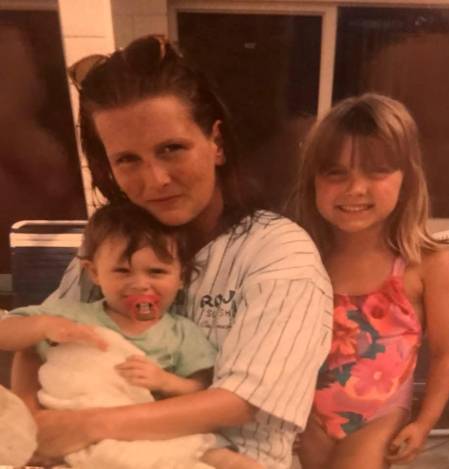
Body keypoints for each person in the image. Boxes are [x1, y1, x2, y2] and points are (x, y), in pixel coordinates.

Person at [11, 35, 333, 469]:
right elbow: (40, 337)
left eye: (171, 149)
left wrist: (86, 424)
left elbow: (242, 400)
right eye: (128, 160)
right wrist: (29, 421)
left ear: (216, 143)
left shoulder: (277, 254)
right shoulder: (114, 244)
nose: (156, 179)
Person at [1, 202, 262, 469]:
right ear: (94, 272)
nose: (139, 284)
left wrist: (167, 382)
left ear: (181, 276)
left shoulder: (180, 333)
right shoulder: (69, 314)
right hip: (73, 419)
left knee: (184, 446)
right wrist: (43, 326)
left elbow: (202, 388)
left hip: (138, 428)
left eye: (156, 272)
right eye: (122, 271)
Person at [290, 93, 449, 469]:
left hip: (379, 416)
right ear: (312, 181)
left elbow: (448, 351)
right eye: (335, 172)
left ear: (407, 179)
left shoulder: (427, 264)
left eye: (377, 171)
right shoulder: (303, 258)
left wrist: (424, 422)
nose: (355, 188)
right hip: (307, 413)